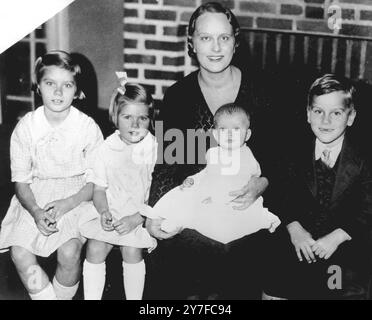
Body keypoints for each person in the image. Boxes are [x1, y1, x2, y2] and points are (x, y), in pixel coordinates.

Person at [145, 2, 281, 299]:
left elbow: (278, 158)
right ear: (191, 43)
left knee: (245, 258)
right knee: (173, 258)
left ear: (236, 40)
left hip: (247, 206)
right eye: (206, 38)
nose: (216, 47)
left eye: (224, 37)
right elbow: (168, 163)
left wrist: (261, 183)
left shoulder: (262, 89)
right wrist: (156, 211)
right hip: (194, 206)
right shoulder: (178, 96)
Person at [0, 50, 103, 300]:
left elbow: (96, 181)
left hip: (76, 196)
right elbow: (21, 182)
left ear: (77, 91)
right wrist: (36, 211)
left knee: (69, 252)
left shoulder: (87, 128)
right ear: (38, 86)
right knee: (20, 253)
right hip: (34, 197)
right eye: (50, 84)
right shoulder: (26, 127)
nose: (58, 92)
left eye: (66, 85)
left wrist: (68, 203)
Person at [263, 74, 372, 300]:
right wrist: (294, 228)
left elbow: (367, 208)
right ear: (307, 114)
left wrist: (339, 235)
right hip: (297, 242)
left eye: (336, 113)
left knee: (341, 289)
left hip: (342, 247)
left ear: (350, 117)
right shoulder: (291, 150)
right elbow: (276, 193)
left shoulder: (364, 158)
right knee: (276, 283)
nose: (326, 121)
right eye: (318, 111)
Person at [149, 103, 280, 244]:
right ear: (216, 135)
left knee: (225, 220)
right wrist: (193, 179)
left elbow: (238, 183)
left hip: (233, 201)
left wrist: (216, 199)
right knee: (183, 194)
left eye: (236, 129)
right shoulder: (213, 153)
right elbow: (208, 172)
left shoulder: (246, 157)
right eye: (223, 129)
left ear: (247, 134)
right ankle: (172, 218)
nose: (229, 134)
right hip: (211, 196)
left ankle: (262, 220)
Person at [79, 74, 157, 300]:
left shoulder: (153, 147)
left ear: (150, 120)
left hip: (138, 213)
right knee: (94, 247)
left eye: (142, 118)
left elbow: (156, 192)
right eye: (127, 117)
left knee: (132, 251)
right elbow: (99, 189)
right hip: (111, 211)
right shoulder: (107, 147)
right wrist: (104, 212)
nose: (135, 125)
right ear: (115, 116)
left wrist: (137, 218)